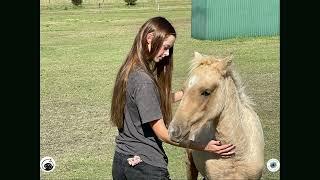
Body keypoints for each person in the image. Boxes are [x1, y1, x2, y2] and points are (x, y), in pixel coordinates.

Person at [110, 16, 235, 180]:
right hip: (145, 168)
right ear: (149, 39)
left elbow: (148, 100)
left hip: (121, 162)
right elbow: (163, 134)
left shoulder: (129, 71)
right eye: (166, 47)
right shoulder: (144, 81)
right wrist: (203, 146)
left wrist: (186, 94)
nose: (167, 53)